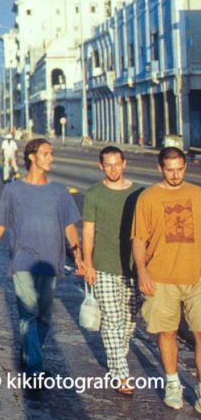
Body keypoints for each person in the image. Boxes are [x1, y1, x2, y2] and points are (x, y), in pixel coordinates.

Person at [0, 138, 84, 376]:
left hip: (52, 262)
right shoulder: (13, 190)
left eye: (51, 154)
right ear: (32, 157)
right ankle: (36, 372)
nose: (51, 158)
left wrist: (78, 256)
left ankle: (29, 354)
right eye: (46, 153)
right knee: (28, 313)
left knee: (44, 317)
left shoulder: (59, 192)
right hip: (23, 262)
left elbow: (70, 226)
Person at [131, 146, 201, 411]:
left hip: (197, 276)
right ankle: (173, 383)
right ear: (159, 169)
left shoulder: (197, 194)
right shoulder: (148, 198)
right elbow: (139, 238)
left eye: (180, 169)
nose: (175, 175)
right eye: (169, 170)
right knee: (168, 332)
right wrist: (142, 271)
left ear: (185, 166)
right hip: (161, 277)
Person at [81, 146, 144, 395]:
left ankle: (117, 356)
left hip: (131, 267)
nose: (113, 169)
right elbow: (88, 230)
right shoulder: (94, 193)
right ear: (101, 166)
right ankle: (120, 373)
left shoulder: (138, 193)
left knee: (129, 322)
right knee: (112, 320)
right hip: (104, 265)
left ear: (125, 163)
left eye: (117, 163)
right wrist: (88, 263)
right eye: (108, 164)